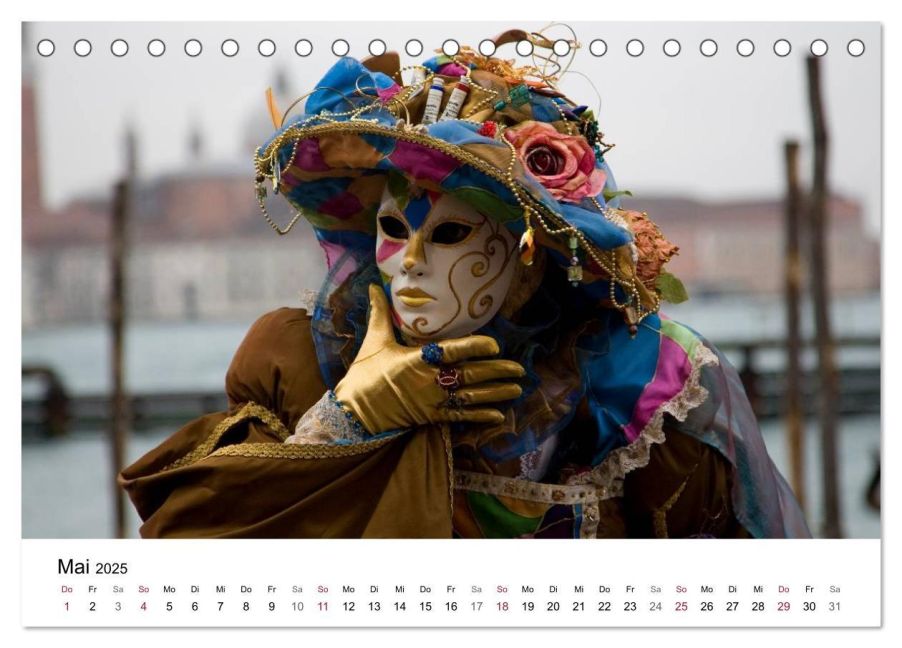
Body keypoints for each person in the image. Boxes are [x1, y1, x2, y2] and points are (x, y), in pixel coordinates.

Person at [119, 32, 810, 539]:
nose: (409, 263)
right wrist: (349, 420)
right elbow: (189, 548)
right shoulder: (305, 358)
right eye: (393, 228)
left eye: (450, 232)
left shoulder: (637, 385)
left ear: (530, 252)